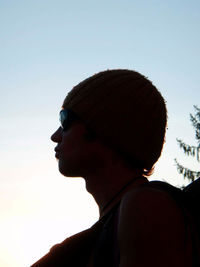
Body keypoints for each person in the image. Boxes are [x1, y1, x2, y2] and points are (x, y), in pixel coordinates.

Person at [31, 69, 194, 267]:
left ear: (104, 127)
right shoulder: (103, 234)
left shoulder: (147, 207)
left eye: (65, 120)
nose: (55, 136)